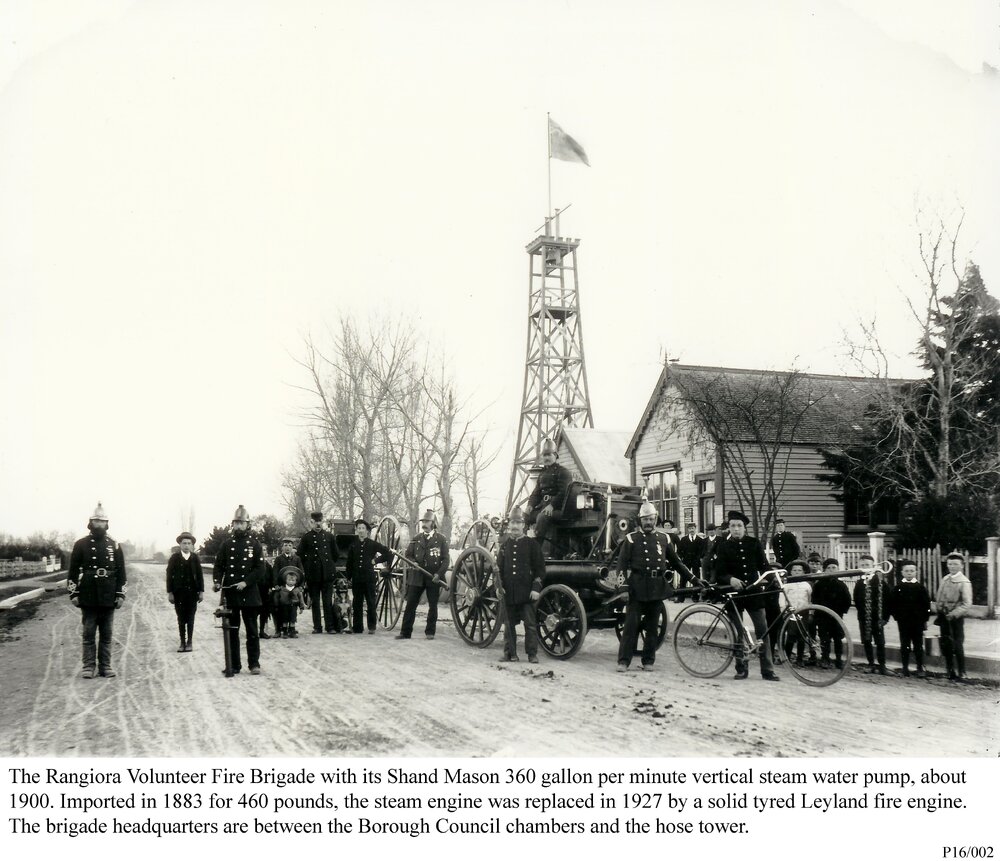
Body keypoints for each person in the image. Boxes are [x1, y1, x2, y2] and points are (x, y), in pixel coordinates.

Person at [616, 500, 696, 672]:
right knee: (631, 626)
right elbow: (621, 566)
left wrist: (694, 579)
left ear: (656, 519)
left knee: (652, 627)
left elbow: (677, 563)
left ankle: (648, 661)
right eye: (645, 519)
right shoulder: (631, 539)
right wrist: (623, 588)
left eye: (651, 519)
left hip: (657, 587)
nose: (648, 522)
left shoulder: (664, 538)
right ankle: (623, 661)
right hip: (636, 588)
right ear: (640, 521)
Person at [706, 510, 779, 681]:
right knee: (738, 633)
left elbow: (764, 566)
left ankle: (767, 670)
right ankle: (741, 668)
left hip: (753, 593)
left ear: (745, 528)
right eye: (733, 526)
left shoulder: (753, 543)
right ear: (729, 528)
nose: (736, 529)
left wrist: (774, 576)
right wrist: (730, 579)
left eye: (739, 526)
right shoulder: (722, 545)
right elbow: (719, 572)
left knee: (763, 630)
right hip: (734, 594)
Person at [67, 502, 127, 679]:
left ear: (107, 524)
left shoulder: (115, 545)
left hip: (109, 595)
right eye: (96, 521)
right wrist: (73, 593)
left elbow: (121, 572)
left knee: (107, 635)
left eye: (102, 521)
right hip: (88, 594)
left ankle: (105, 667)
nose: (99, 524)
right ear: (90, 523)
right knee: (88, 633)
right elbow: (73, 570)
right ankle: (88, 666)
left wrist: (120, 594)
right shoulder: (80, 544)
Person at [213, 505, 265, 675]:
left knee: (252, 631)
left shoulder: (255, 545)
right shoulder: (227, 544)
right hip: (231, 594)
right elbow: (219, 565)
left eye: (242, 523)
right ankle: (234, 664)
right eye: (236, 523)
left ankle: (254, 664)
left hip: (249, 594)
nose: (239, 526)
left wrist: (246, 582)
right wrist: (217, 582)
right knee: (232, 630)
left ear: (248, 525)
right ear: (232, 524)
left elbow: (260, 569)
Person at [496, 507, 544, 663]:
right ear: (509, 524)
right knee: (508, 625)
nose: (515, 526)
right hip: (508, 593)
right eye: (512, 522)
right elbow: (498, 570)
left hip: (527, 593)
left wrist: (536, 589)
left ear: (523, 525)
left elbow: (540, 569)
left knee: (530, 625)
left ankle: (532, 654)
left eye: (518, 522)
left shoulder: (532, 545)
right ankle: (509, 653)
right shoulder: (504, 546)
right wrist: (499, 587)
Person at [397, 509, 450, 641]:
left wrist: (439, 574)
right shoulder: (416, 539)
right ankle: (405, 632)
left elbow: (446, 559)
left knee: (433, 606)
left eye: (427, 521)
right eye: (423, 521)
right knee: (411, 605)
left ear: (433, 523)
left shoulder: (441, 539)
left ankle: (430, 632)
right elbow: (408, 554)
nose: (424, 524)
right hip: (417, 577)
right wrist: (413, 562)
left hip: (433, 578)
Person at [524, 438, 572, 556]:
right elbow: (536, 493)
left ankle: (535, 551)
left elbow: (564, 492)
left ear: (555, 455)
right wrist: (530, 505)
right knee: (524, 517)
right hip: (545, 508)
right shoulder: (542, 474)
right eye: (544, 455)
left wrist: (552, 505)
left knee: (542, 517)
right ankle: (523, 546)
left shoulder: (563, 472)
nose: (546, 458)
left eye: (549, 455)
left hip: (559, 510)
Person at [346, 518, 394, 634]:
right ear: (356, 531)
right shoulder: (353, 545)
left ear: (367, 531)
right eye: (359, 529)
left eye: (363, 528)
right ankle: (358, 627)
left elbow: (388, 553)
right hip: (357, 578)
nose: (361, 531)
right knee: (357, 602)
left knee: (371, 602)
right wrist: (348, 577)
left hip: (369, 578)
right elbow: (349, 563)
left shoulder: (372, 544)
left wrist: (376, 561)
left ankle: (371, 627)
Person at [297, 511, 341, 634]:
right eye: (315, 522)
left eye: (319, 521)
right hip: (313, 575)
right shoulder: (306, 537)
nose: (317, 524)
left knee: (327, 602)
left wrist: (329, 565)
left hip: (327, 574)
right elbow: (300, 554)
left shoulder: (329, 536)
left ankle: (330, 627)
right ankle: (317, 627)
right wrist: (308, 565)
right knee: (315, 602)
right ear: (311, 522)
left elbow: (336, 554)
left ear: (322, 522)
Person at [889, 559, 931, 678]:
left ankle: (920, 667)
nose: (909, 573)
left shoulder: (920, 588)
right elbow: (892, 604)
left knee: (918, 645)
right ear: (902, 572)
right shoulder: (898, 588)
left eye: (912, 571)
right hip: (903, 622)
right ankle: (905, 668)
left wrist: (925, 619)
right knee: (904, 644)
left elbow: (926, 605)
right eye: (906, 571)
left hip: (917, 622)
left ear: (916, 572)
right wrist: (897, 617)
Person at [935, 553, 972, 682]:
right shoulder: (945, 579)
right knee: (946, 644)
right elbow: (939, 597)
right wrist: (939, 609)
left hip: (956, 618)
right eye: (950, 564)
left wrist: (954, 613)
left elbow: (967, 603)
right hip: (944, 617)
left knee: (957, 644)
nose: (952, 566)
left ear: (962, 566)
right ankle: (950, 670)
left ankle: (962, 671)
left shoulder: (964, 582)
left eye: (956, 564)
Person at [166, 531, 204, 652]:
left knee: (191, 618)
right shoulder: (174, 558)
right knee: (181, 618)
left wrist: (201, 591)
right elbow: (169, 575)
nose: (186, 545)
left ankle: (190, 642)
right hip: (179, 594)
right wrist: (170, 592)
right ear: (180, 545)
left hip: (192, 593)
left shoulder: (195, 558)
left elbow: (199, 575)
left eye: (189, 543)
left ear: (192, 545)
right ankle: (182, 642)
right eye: (184, 543)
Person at [853, 553, 890, 675]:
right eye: (863, 565)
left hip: (878, 618)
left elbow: (887, 601)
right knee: (867, 641)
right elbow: (857, 600)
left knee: (880, 642)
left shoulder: (880, 583)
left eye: (868, 565)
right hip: (864, 619)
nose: (865, 567)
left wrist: (885, 617)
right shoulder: (859, 583)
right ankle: (871, 664)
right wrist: (862, 615)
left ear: (873, 566)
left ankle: (882, 666)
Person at [812, 558, 851, 669]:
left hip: (837, 617)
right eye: (828, 568)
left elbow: (847, 600)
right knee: (825, 639)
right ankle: (825, 658)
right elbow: (815, 599)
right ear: (824, 570)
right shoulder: (819, 585)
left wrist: (841, 612)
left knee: (838, 638)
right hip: (823, 617)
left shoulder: (841, 585)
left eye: (834, 567)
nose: (831, 570)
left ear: (838, 569)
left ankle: (839, 659)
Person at [780, 559, 814, 665]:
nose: (797, 572)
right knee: (790, 635)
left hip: (803, 613)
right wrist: (784, 612)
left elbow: (810, 600)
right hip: (791, 613)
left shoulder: (807, 585)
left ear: (803, 572)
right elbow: (782, 600)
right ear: (790, 572)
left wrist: (810, 613)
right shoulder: (787, 585)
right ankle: (787, 657)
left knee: (802, 636)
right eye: (794, 570)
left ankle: (799, 659)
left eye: (799, 570)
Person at [272, 568, 307, 637]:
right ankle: (285, 631)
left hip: (293, 606)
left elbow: (301, 598)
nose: (291, 582)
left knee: (293, 619)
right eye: (289, 580)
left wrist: (301, 607)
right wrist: (276, 605)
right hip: (284, 606)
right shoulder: (281, 589)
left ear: (296, 581)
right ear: (285, 580)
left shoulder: (297, 590)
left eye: (293, 580)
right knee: (284, 619)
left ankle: (292, 631)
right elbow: (276, 597)